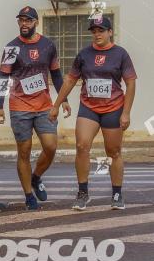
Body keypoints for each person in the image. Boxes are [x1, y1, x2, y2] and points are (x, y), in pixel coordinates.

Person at [49, 14, 137, 210]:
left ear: (110, 32)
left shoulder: (120, 54)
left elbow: (130, 84)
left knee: (113, 151)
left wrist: (126, 113)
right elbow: (70, 80)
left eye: (101, 31)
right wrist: (56, 104)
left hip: (114, 108)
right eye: (94, 31)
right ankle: (83, 193)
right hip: (88, 107)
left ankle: (116, 194)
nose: (97, 34)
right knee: (81, 146)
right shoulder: (84, 54)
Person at [0, 6, 71, 210]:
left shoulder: (48, 45)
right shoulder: (11, 48)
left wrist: (63, 98)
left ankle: (36, 177)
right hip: (19, 105)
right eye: (21, 20)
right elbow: (3, 77)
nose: (24, 24)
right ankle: (29, 195)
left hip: (44, 105)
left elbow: (55, 74)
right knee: (24, 151)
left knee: (51, 146)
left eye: (28, 20)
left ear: (36, 22)